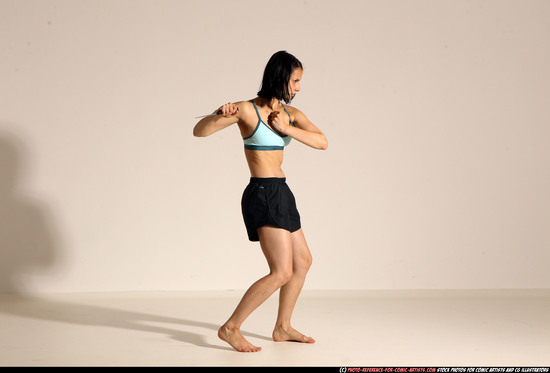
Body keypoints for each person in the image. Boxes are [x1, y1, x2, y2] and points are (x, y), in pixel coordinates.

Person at [193, 51, 328, 352]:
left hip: (282, 191)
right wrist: (219, 114)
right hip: (263, 193)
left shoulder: (291, 115)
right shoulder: (246, 110)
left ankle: (282, 327)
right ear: (280, 78)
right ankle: (230, 328)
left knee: (303, 261)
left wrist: (286, 128)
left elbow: (322, 142)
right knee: (281, 271)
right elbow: (199, 132)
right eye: (295, 80)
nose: (299, 87)